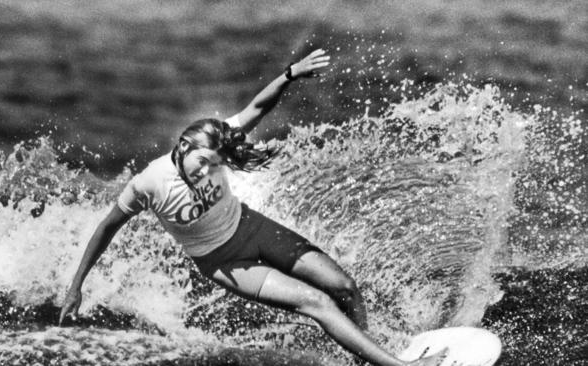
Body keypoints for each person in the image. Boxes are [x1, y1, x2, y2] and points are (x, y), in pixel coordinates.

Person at [59, 49, 447, 366]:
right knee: (316, 302)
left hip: (252, 227)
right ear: (183, 148)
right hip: (223, 262)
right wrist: (76, 286)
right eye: (203, 162)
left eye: (215, 164)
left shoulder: (213, 146)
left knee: (345, 287)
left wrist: (290, 74)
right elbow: (106, 227)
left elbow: (257, 108)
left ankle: (369, 355)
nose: (209, 170)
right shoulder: (149, 183)